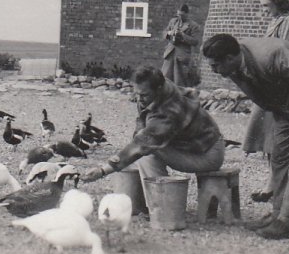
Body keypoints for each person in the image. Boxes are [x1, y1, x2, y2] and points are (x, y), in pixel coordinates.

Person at [202, 34, 289, 240]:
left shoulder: (271, 57)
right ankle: (277, 213)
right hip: (282, 107)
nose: (213, 70)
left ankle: (286, 220)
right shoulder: (234, 64)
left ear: (231, 58)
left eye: (215, 65)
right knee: (278, 157)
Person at [80, 66, 225, 208]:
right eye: (136, 93)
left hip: (207, 154)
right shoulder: (157, 90)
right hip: (191, 147)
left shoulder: (169, 110)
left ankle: (163, 207)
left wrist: (103, 170)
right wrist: (128, 153)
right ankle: (150, 202)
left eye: (143, 95)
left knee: (147, 154)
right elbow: (142, 128)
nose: (139, 98)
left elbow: (144, 142)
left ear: (158, 89)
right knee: (143, 151)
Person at [245, 0, 289, 203]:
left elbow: (281, 55)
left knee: (277, 139)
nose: (265, 11)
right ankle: (273, 185)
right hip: (268, 85)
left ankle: (277, 187)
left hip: (280, 88)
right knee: (269, 138)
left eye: (267, 6)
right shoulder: (275, 22)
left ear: (278, 2)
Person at [161, 4, 202, 87]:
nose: (180, 17)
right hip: (170, 53)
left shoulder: (193, 26)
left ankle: (180, 96)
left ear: (187, 14)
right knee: (165, 77)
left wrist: (182, 35)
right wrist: (170, 33)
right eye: (178, 14)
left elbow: (195, 41)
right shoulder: (173, 21)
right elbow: (164, 32)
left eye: (182, 15)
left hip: (182, 56)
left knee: (179, 80)